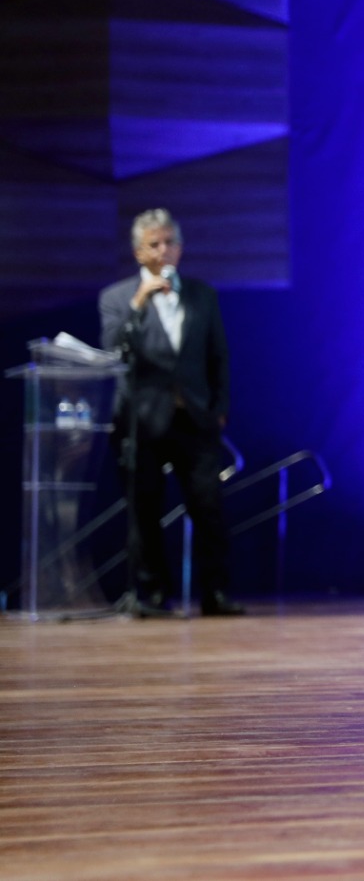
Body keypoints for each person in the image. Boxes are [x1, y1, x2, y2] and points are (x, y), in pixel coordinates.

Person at [99, 208, 242, 616]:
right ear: (138, 252)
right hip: (142, 422)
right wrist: (139, 302)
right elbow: (113, 350)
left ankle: (215, 594)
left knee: (208, 507)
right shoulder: (117, 297)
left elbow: (218, 356)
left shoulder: (202, 295)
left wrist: (219, 407)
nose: (164, 251)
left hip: (194, 418)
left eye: (170, 242)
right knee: (144, 511)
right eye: (154, 244)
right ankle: (154, 594)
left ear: (180, 247)